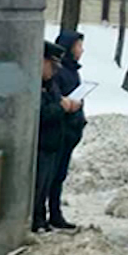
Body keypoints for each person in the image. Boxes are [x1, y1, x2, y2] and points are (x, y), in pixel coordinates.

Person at [35, 42, 80, 233]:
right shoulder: (36, 85)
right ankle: (36, 219)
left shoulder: (50, 84)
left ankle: (41, 218)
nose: (54, 71)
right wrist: (62, 107)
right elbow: (41, 113)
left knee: (47, 184)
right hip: (42, 143)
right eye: (52, 66)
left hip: (53, 143)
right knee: (37, 186)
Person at [50, 30, 87, 229]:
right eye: (79, 46)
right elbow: (58, 99)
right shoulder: (60, 71)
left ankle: (55, 213)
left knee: (59, 175)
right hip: (60, 131)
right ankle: (48, 213)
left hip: (71, 130)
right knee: (53, 176)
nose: (82, 50)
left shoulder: (73, 71)